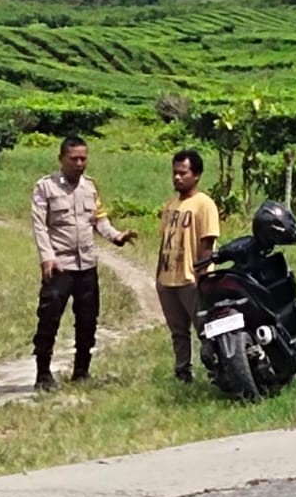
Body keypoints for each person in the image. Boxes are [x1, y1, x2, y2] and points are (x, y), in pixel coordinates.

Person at [30, 136, 139, 391]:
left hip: (86, 264)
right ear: (61, 159)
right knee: (49, 319)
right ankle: (43, 374)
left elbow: (99, 219)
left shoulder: (90, 187)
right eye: (74, 159)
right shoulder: (45, 188)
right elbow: (39, 225)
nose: (80, 164)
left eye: (83, 158)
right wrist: (47, 256)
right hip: (60, 265)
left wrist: (116, 236)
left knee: (88, 319)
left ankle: (82, 370)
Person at [154, 149, 220, 383]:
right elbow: (165, 241)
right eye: (175, 173)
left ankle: (217, 370)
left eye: (183, 173)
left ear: (197, 175)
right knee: (178, 332)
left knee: (205, 329)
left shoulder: (204, 204)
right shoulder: (171, 204)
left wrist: (203, 275)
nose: (177, 178)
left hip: (192, 279)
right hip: (168, 278)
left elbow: (207, 241)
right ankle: (183, 371)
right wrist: (158, 275)